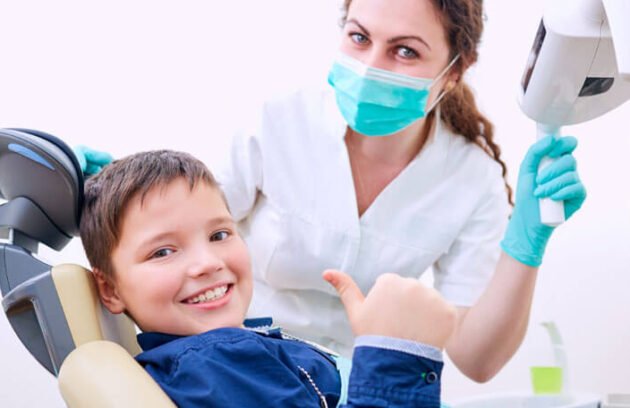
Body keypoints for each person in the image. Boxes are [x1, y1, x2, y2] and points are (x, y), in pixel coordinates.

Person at [76, 0, 587, 382]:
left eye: (405, 51)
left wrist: (525, 247)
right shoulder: (279, 120)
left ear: (455, 71)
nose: (371, 67)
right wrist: (96, 192)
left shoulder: (470, 178)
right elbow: (182, 232)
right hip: (238, 367)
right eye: (359, 38)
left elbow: (475, 359)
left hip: (353, 381)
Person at [79, 149, 458, 408]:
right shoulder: (217, 362)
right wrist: (396, 356)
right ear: (110, 289)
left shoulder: (210, 359)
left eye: (219, 234)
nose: (207, 263)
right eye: (163, 252)